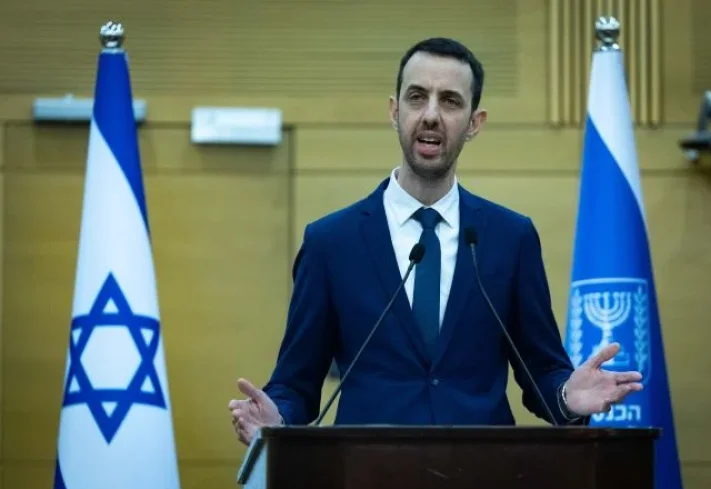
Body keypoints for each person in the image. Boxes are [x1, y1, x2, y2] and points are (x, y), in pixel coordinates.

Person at [228, 37, 643, 445]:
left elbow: (542, 372)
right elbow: (296, 383)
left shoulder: (510, 238)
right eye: (416, 97)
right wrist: (277, 416)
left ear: (474, 123)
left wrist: (568, 397)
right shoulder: (331, 243)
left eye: (450, 101)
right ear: (395, 111)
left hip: (482, 470)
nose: (430, 115)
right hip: (366, 472)